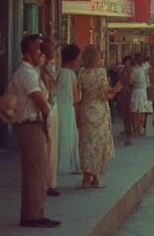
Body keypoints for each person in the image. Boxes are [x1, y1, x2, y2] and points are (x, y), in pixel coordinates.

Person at [8, 34, 59, 229]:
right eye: (38, 50)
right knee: (37, 171)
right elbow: (38, 98)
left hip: (31, 124)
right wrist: (47, 115)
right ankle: (34, 214)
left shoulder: (32, 71)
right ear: (29, 52)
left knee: (34, 171)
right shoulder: (26, 73)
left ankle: (32, 212)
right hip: (30, 124)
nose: (42, 54)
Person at [77, 45, 120, 188]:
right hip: (100, 111)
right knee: (98, 144)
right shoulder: (101, 72)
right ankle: (92, 177)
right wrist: (115, 91)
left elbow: (80, 93)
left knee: (87, 144)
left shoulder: (82, 73)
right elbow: (104, 95)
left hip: (86, 109)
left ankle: (90, 177)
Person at [56, 44, 81, 175]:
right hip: (67, 109)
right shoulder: (70, 74)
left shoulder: (59, 72)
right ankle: (70, 164)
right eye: (78, 58)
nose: (79, 61)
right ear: (72, 60)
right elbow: (76, 97)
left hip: (58, 108)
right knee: (69, 136)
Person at [40, 40, 61, 198]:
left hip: (52, 107)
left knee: (51, 149)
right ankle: (47, 183)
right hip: (46, 110)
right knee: (48, 149)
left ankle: (50, 182)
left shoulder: (49, 69)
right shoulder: (42, 70)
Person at [130, 54, 152, 138]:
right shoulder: (144, 69)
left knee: (135, 111)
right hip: (142, 91)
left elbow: (131, 82)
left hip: (136, 91)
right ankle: (139, 128)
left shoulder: (134, 70)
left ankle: (136, 129)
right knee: (141, 111)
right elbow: (147, 81)